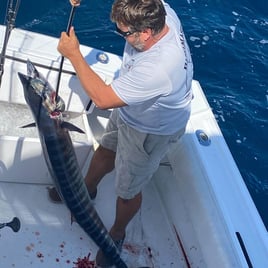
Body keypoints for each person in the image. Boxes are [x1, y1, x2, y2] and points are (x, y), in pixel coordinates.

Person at [57, 0, 193, 266]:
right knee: (107, 148)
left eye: (124, 33)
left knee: (127, 190)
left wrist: (74, 54)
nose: (122, 37)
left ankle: (117, 233)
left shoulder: (158, 67)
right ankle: (85, 191)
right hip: (132, 107)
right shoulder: (160, 11)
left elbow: (103, 99)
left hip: (150, 130)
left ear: (145, 33)